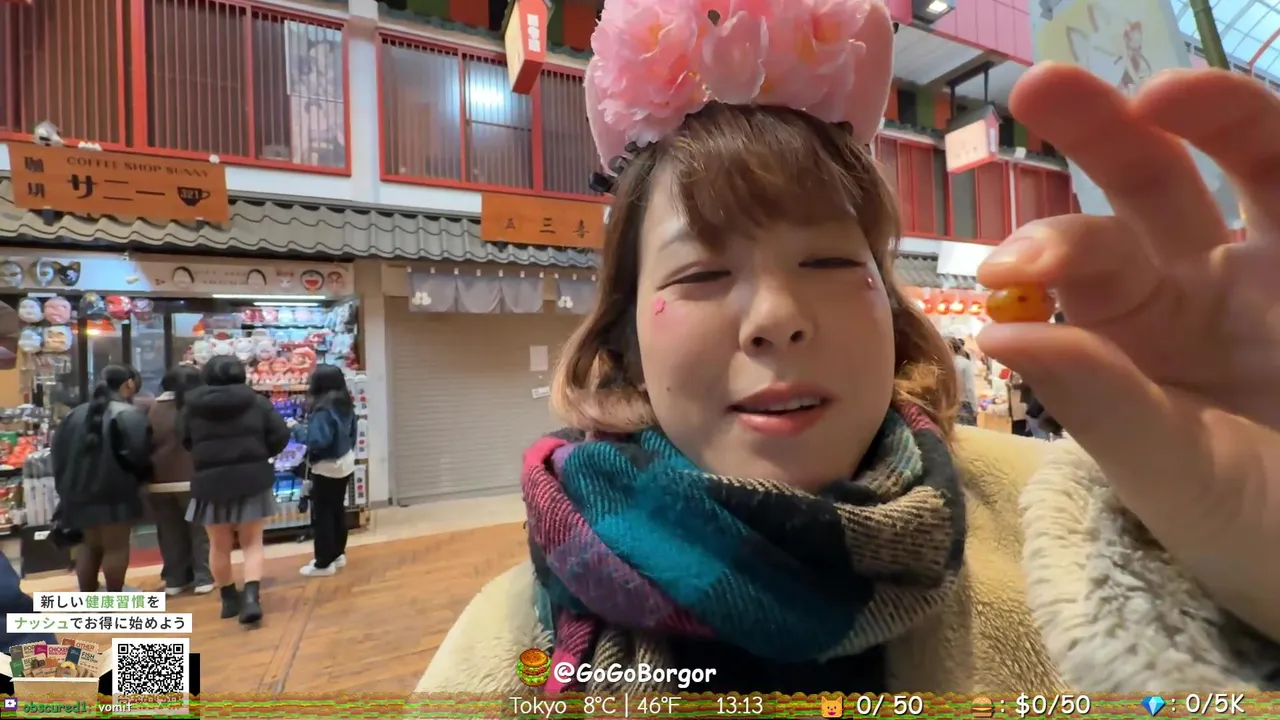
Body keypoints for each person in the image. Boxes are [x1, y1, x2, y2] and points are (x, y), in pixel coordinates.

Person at [418, 0, 1280, 695]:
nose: (777, 318)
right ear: (625, 336)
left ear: (890, 306)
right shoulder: (502, 657)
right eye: (702, 274)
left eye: (830, 262)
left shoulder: (1085, 535)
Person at [181, 356, 289, 625]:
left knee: (219, 545)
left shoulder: (191, 406)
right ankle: (251, 598)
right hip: (252, 480)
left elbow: (185, 439)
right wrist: (261, 453)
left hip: (209, 482)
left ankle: (229, 600)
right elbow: (280, 435)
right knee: (252, 543)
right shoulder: (257, 402)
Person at [50, 364, 149, 592]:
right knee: (116, 547)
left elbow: (58, 453)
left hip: (77, 492)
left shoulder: (74, 414)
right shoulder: (129, 414)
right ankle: (114, 599)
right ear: (129, 383)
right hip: (116, 492)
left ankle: (89, 598)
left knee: (89, 545)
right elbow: (139, 455)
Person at [146, 365, 213, 596]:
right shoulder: (198, 408)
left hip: (158, 481)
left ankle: (175, 580)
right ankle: (203, 578)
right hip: (193, 478)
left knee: (169, 533)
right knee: (200, 531)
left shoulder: (151, 408)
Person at [290, 364, 357, 577]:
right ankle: (338, 553)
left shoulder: (322, 409)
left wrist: (296, 428)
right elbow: (353, 433)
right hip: (345, 461)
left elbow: (317, 441)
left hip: (326, 466)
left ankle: (323, 563)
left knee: (323, 514)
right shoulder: (345, 402)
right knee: (337, 508)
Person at [950, 337, 979, 426]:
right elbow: (969, 388)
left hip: (950, 403)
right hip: (964, 405)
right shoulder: (965, 364)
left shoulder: (947, 362)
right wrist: (975, 407)